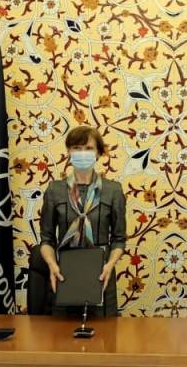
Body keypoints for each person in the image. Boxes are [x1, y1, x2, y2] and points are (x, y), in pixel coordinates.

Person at [39, 125, 127, 316]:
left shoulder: (113, 191)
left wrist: (110, 264)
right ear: (69, 152)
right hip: (64, 274)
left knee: (104, 333)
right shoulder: (54, 190)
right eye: (77, 148)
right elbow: (46, 240)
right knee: (61, 333)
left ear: (98, 153)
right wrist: (52, 265)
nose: (82, 153)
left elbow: (119, 239)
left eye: (88, 148)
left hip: (101, 274)